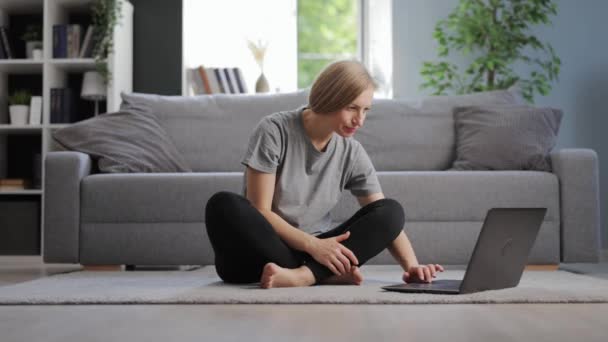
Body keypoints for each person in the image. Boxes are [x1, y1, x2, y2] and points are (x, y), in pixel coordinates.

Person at [205, 59, 444, 289]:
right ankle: (322, 274)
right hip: (258, 252)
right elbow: (261, 210)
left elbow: (384, 217)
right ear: (329, 99)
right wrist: (314, 246)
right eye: (351, 108)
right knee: (223, 204)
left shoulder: (351, 151)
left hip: (320, 251)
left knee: (392, 211)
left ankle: (304, 276)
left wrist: (412, 266)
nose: (359, 120)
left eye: (365, 110)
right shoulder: (274, 130)